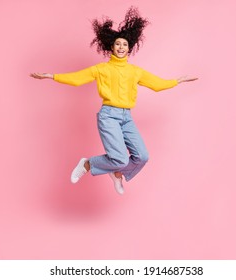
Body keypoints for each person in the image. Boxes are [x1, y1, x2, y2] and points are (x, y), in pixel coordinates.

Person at [30, 7, 197, 195]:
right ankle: (87, 164)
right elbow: (77, 78)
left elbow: (157, 84)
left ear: (129, 48)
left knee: (142, 156)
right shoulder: (101, 69)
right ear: (111, 46)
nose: (121, 47)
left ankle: (117, 173)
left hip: (127, 117)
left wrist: (177, 81)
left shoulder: (135, 72)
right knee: (120, 157)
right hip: (109, 116)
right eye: (118, 44)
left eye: (124, 45)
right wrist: (52, 76)